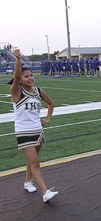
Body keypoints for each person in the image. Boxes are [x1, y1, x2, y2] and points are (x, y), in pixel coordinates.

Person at [9, 49, 58, 203]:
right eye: (26, 76)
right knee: (35, 161)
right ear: (21, 80)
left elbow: (51, 103)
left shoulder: (38, 91)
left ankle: (27, 182)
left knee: (32, 159)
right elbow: (16, 77)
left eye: (31, 75)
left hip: (38, 130)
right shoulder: (16, 92)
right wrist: (18, 59)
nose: (30, 78)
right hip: (23, 131)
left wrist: (48, 118)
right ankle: (45, 192)